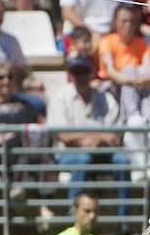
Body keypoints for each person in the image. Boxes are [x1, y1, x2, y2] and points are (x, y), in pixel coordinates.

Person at [49, 53, 130, 213]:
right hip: (69, 153)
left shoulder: (106, 99)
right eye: (75, 71)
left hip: (103, 150)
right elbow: (63, 136)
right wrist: (97, 136)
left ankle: (124, 222)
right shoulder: (60, 97)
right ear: (69, 74)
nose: (80, 76)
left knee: (123, 160)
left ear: (91, 72)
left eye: (84, 70)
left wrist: (92, 138)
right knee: (82, 158)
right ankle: (72, 218)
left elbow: (114, 137)